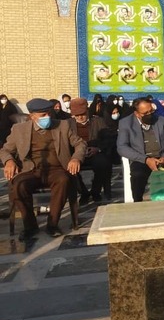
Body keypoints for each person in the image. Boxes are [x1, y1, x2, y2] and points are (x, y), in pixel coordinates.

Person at [0, 98, 86, 240]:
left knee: (64, 181)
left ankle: (52, 224)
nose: (48, 117)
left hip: (57, 169)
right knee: (18, 186)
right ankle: (30, 226)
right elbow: (5, 150)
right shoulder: (19, 130)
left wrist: (76, 158)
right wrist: (9, 161)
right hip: (30, 170)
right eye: (43, 115)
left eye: (49, 113)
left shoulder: (62, 126)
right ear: (32, 116)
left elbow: (80, 144)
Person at [116, 98, 164, 202]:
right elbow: (122, 147)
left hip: (162, 157)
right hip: (141, 159)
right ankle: (138, 202)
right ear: (137, 113)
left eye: (151, 111)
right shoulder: (126, 123)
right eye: (145, 113)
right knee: (137, 176)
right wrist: (146, 160)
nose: (149, 114)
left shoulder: (161, 120)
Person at [68, 98, 113, 203]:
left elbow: (108, 139)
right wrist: (77, 154)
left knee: (103, 163)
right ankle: (83, 192)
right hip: (75, 154)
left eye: (82, 114)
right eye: (77, 115)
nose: (80, 117)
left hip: (95, 152)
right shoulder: (67, 124)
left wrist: (98, 149)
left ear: (87, 111)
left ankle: (95, 191)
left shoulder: (99, 121)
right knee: (69, 168)